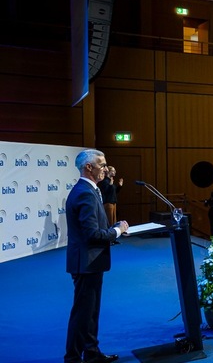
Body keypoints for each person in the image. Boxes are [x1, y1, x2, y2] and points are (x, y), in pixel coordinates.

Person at [65, 149, 128, 363]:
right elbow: (92, 234)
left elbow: (94, 226)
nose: (105, 169)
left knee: (90, 313)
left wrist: (113, 227)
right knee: (83, 314)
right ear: (88, 167)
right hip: (86, 262)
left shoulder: (91, 190)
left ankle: (91, 353)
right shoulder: (84, 192)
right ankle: (73, 358)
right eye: (101, 165)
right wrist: (117, 231)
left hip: (91, 262)